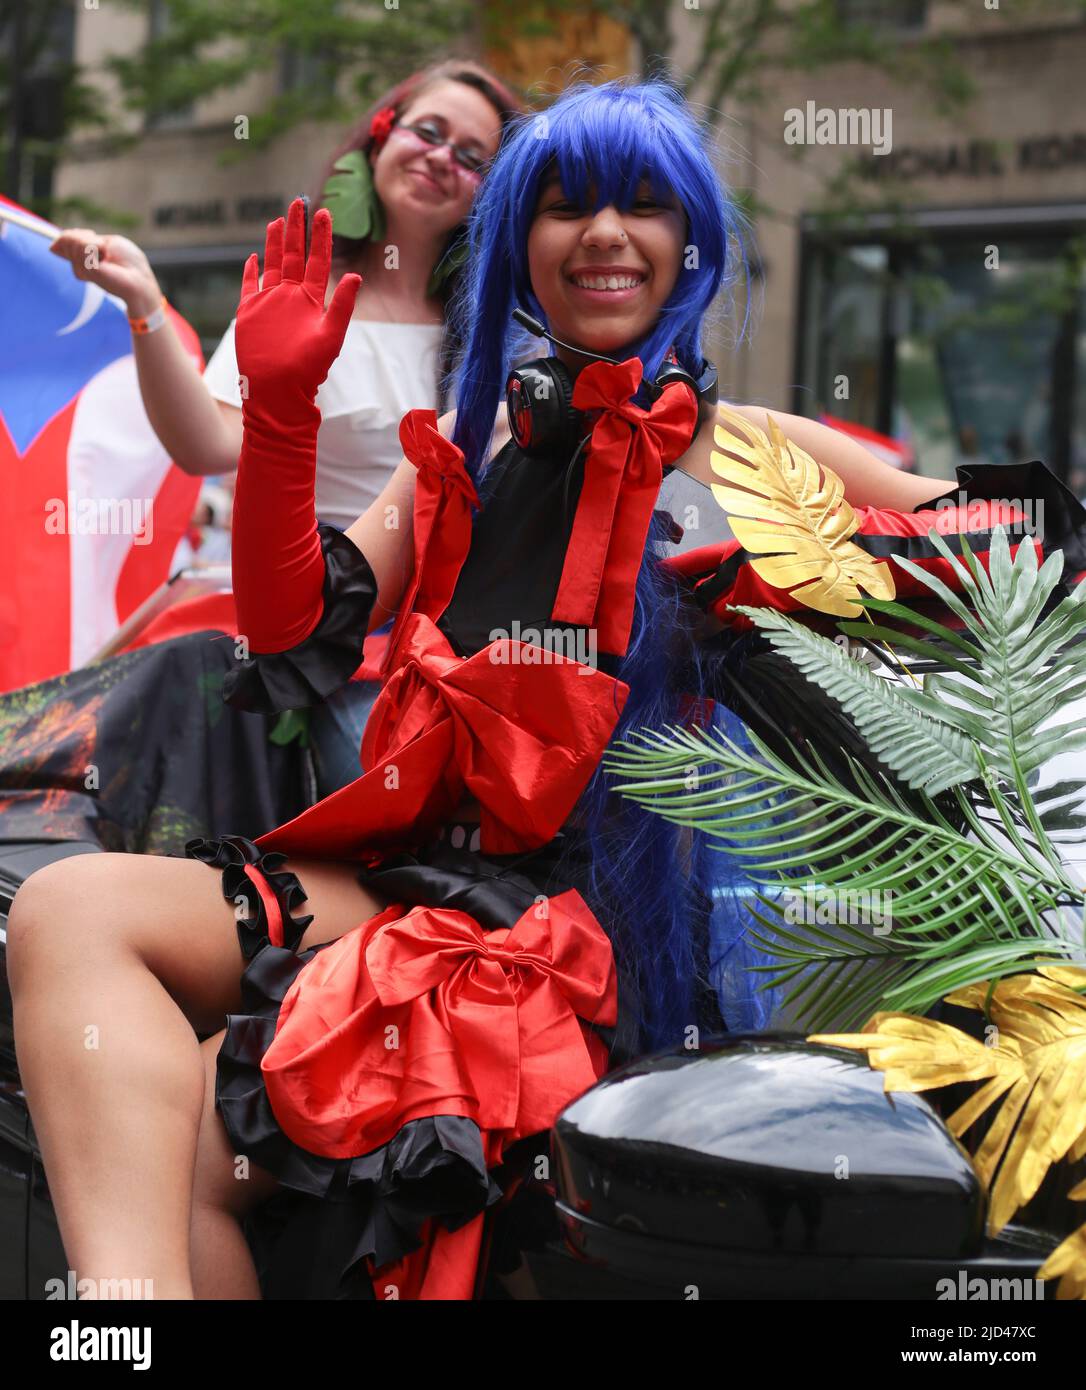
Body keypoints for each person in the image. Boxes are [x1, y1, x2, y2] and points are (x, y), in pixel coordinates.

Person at [10, 79, 981, 1302]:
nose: (606, 235)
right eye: (568, 206)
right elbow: (289, 625)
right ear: (520, 237)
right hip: (416, 881)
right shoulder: (467, 455)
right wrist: (284, 417)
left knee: (200, 1153)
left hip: (592, 938)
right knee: (69, 912)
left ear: (692, 244)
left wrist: (792, 591)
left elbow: (1011, 560)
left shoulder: (757, 453)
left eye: (644, 206)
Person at [46, 60, 523, 797]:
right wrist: (145, 306)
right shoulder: (297, 298)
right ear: (379, 137)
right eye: (429, 132)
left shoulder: (495, 333)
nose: (441, 158)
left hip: (448, 639)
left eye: (471, 156)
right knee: (375, 786)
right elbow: (206, 442)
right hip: (306, 627)